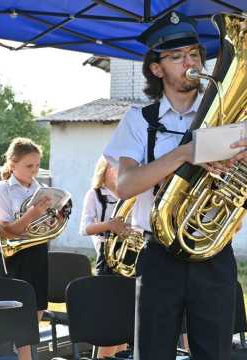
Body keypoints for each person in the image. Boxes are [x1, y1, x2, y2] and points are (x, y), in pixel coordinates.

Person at [104, 11, 237, 360]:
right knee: (153, 352)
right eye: (176, 57)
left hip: (213, 252)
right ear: (156, 68)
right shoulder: (138, 120)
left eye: (194, 54)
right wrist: (183, 155)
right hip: (160, 256)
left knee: (217, 354)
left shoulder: (225, 116)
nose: (189, 62)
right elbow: (125, 185)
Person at [0, 137, 51, 360]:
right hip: (13, 260)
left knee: (31, 326)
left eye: (36, 165)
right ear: (12, 164)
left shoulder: (41, 190)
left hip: (38, 257)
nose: (34, 171)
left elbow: (46, 228)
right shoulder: (2, 190)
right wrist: (33, 214)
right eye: (28, 166)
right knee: (10, 323)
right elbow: (6, 231)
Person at [79, 155, 129, 358]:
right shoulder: (95, 195)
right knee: (110, 321)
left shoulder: (130, 195)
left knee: (126, 320)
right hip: (107, 261)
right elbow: (84, 228)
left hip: (128, 261)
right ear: (104, 170)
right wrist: (110, 226)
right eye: (115, 167)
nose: (119, 171)